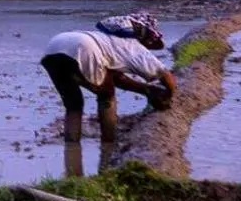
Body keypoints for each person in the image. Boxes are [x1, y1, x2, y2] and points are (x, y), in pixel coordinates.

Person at [40, 11, 176, 143]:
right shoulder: (132, 46)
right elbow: (165, 75)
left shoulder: (107, 38)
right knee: (107, 95)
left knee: (73, 104)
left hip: (54, 47)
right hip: (84, 47)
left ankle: (71, 146)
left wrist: (146, 90)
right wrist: (169, 95)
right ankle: (108, 142)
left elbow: (115, 77)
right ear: (146, 37)